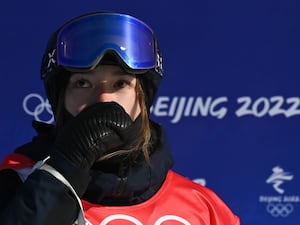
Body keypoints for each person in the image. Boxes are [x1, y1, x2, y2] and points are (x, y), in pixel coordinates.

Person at [0, 11, 240, 225]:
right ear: (60, 98)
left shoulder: (205, 208)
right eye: (83, 83)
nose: (104, 99)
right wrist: (64, 170)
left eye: (120, 83)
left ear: (143, 98)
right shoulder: (15, 183)